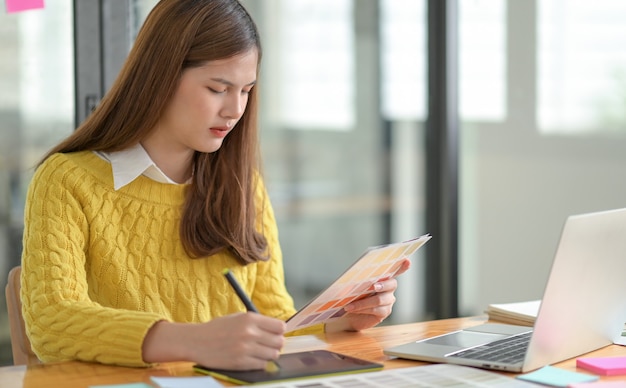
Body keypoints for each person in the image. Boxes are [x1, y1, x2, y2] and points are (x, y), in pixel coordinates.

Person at [20, 0, 410, 370]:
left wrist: (341, 319)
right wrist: (194, 341)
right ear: (160, 76)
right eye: (217, 89)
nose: (235, 110)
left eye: (246, 91)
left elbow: (270, 319)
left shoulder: (243, 187)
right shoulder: (67, 181)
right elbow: (53, 322)